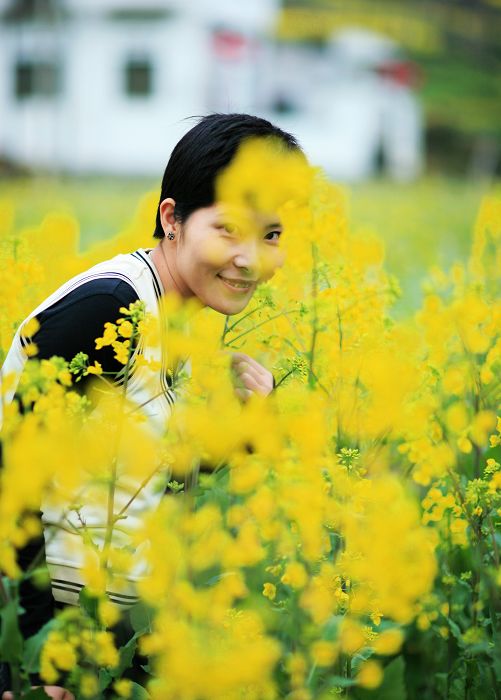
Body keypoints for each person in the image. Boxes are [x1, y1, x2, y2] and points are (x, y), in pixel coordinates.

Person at [0, 113, 306, 696]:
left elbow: (157, 469)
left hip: (122, 635)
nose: (251, 259)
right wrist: (31, 655)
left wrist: (250, 421)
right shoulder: (112, 306)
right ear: (172, 219)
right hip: (58, 642)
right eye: (230, 230)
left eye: (271, 235)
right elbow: (13, 473)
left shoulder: (188, 318)